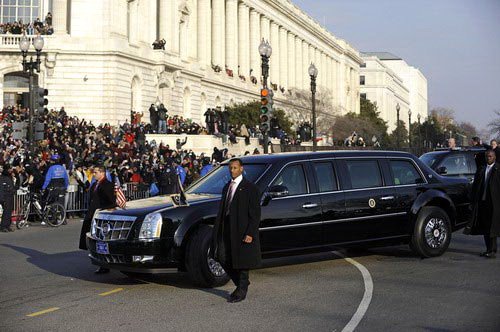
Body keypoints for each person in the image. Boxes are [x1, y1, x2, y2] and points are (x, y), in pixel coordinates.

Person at [210, 158, 261, 303]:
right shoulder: (227, 187)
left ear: (241, 169)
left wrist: (250, 233)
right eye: (230, 168)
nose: (232, 171)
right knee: (221, 256)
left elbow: (255, 214)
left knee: (242, 260)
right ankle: (242, 283)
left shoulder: (250, 188)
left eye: (235, 168)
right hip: (227, 227)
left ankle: (241, 289)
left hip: (242, 229)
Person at [79, 166, 117, 273]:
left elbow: (111, 201)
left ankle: (105, 264)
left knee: (102, 241)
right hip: (93, 214)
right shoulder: (95, 184)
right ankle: (101, 263)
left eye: (95, 172)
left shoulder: (107, 185)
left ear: (102, 173)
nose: (94, 174)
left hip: (102, 216)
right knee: (94, 239)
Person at [464, 150, 500, 258]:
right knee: (485, 227)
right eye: (487, 156)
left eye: (490, 156)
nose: (488, 158)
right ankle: (488, 249)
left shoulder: (498, 169)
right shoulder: (481, 169)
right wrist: (472, 201)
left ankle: (492, 250)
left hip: (494, 203)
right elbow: (475, 186)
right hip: (482, 202)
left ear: (494, 157)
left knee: (492, 227)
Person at [0, 165, 15, 232]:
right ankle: (3, 226)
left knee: (9, 212)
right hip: (5, 197)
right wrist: (2, 199)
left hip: (10, 196)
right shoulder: (2, 178)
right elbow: (1, 189)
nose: (11, 170)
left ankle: (8, 225)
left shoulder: (10, 177)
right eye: (9, 169)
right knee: (6, 212)